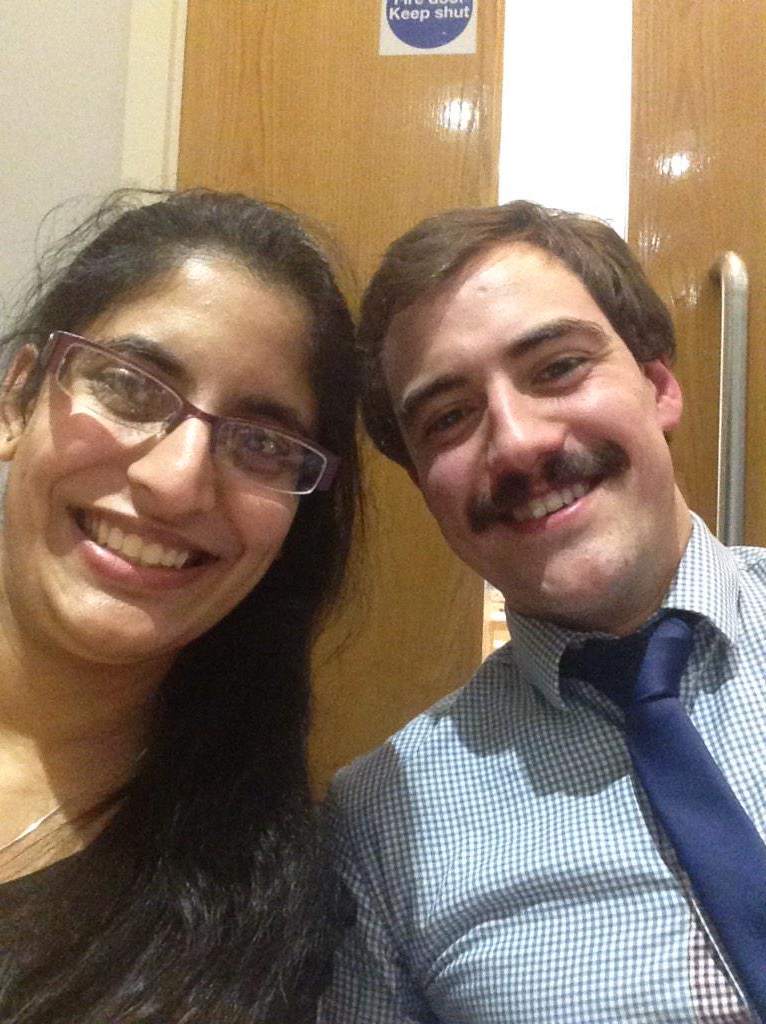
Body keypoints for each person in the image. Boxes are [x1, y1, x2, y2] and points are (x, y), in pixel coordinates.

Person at [320, 200, 766, 1023]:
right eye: (449, 418)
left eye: (558, 367)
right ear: (424, 487)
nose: (519, 442)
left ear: (659, 386)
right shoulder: (383, 824)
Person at [0, 188, 359, 1023]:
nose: (175, 481)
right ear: (17, 402)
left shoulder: (277, 925)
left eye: (261, 442)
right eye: (129, 385)